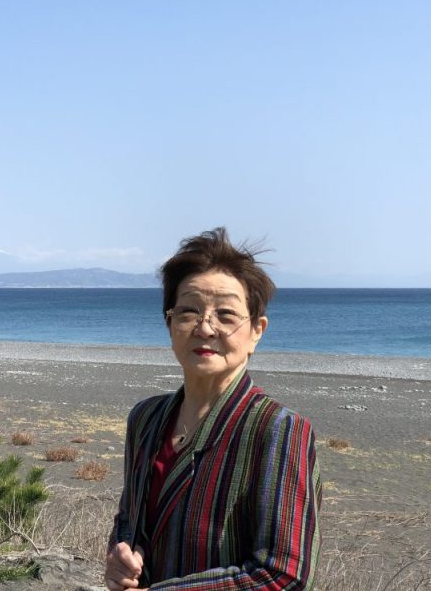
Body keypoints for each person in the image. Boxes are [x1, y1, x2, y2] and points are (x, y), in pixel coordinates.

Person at [106, 228, 321, 590]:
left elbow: (284, 575)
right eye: (188, 312)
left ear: (256, 330)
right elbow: (129, 518)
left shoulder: (277, 430)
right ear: (169, 323)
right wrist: (120, 556)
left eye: (226, 314)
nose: (205, 328)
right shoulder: (145, 419)